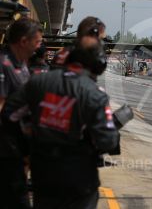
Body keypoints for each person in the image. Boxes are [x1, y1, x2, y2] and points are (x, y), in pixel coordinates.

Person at [1, 36, 120, 209]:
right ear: (97, 65)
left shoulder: (38, 82)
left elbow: (9, 115)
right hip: (79, 177)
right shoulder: (96, 94)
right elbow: (108, 141)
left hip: (43, 172)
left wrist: (28, 141)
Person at [0, 17, 42, 209]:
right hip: (6, 149)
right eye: (37, 41)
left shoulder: (22, 64)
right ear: (24, 41)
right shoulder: (4, 64)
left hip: (18, 148)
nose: (39, 46)